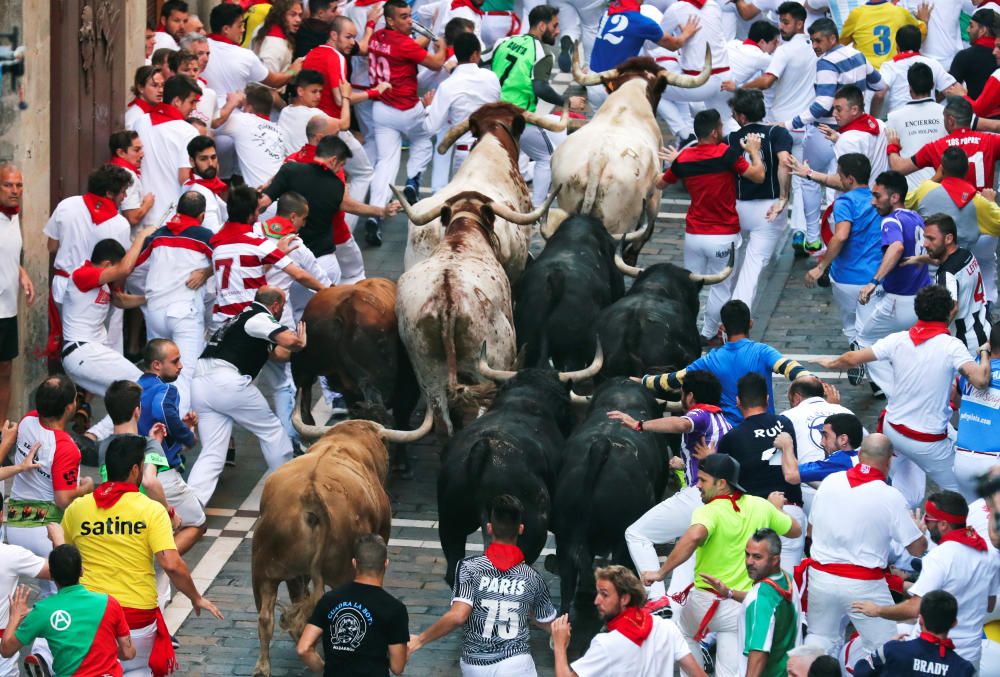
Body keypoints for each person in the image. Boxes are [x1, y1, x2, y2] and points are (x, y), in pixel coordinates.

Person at [61, 436, 223, 674]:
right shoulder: (152, 510)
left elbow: (66, 558)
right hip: (136, 618)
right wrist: (195, 597)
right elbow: (172, 565)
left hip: (89, 616)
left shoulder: (77, 509)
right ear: (135, 469)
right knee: (137, 669)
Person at [819, 285, 993, 495]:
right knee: (968, 493)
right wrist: (985, 351)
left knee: (899, 485)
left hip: (893, 429)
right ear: (950, 311)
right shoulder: (951, 346)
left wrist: (829, 364)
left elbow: (851, 358)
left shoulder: (897, 340)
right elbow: (981, 380)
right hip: (926, 440)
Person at [639, 454, 801, 677]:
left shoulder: (707, 511)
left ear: (721, 483)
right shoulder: (760, 506)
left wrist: (661, 573)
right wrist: (777, 509)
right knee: (729, 671)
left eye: (703, 480)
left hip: (705, 603)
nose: (697, 486)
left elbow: (694, 536)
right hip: (742, 604)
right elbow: (795, 530)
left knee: (682, 633)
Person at [609, 370, 732, 614]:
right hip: (719, 501)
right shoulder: (725, 421)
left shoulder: (701, 414)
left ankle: (656, 597)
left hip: (697, 497)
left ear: (690, 396)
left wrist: (639, 425)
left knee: (636, 534)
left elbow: (681, 424)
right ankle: (672, 611)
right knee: (686, 557)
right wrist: (683, 463)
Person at [797, 433, 927, 659]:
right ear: (888, 462)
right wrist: (920, 531)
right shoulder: (891, 496)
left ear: (860, 455)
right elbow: (916, 549)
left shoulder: (830, 482)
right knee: (886, 649)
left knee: (818, 645)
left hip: (821, 580)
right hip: (864, 585)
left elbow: (810, 531)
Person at [407, 494, 558, 676]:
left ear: (488, 528)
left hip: (475, 666)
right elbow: (551, 624)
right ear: (520, 529)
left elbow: (458, 616)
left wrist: (420, 640)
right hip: (516, 664)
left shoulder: (469, 568)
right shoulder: (532, 578)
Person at [852, 490, 999, 668]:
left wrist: (877, 610)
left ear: (943, 524)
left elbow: (915, 608)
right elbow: (989, 605)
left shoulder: (940, 557)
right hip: (969, 657)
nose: (925, 523)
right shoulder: (989, 554)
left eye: (929, 519)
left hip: (934, 654)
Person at [188, 286, 307, 505]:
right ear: (276, 306)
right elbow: (290, 342)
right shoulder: (260, 317)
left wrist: (298, 351)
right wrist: (301, 341)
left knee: (213, 452)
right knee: (272, 430)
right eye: (283, 306)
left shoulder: (239, 318)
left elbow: (279, 355)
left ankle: (191, 505)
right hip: (226, 382)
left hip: (200, 385)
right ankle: (290, 491)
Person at [657, 111, 765, 344]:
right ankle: (706, 334)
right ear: (715, 132)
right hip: (722, 235)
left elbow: (660, 182)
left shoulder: (684, 158)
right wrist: (754, 152)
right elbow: (758, 176)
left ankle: (685, 330)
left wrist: (674, 162)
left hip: (694, 235)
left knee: (689, 287)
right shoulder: (726, 154)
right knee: (721, 289)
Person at [783, 18, 884, 256]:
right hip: (855, 129)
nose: (815, 46)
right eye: (812, 41)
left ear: (832, 39)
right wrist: (871, 117)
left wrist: (790, 123)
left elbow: (823, 104)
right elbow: (880, 85)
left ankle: (813, 238)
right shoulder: (858, 55)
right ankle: (842, 239)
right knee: (845, 185)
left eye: (818, 40)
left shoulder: (826, 62)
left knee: (809, 180)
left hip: (823, 131)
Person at [640, 300, 810, 425]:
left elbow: (670, 381)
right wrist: (811, 380)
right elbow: (792, 369)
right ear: (750, 324)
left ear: (722, 328)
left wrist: (642, 380)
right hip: (766, 428)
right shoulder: (763, 352)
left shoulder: (710, 359)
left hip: (729, 435)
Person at [261, 135, 397, 291]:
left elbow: (263, 202)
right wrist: (382, 210)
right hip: (323, 262)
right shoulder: (336, 186)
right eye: (341, 165)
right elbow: (353, 207)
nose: (340, 170)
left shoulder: (290, 170)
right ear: (333, 160)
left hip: (288, 256)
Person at [365, 0, 448, 245]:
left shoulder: (377, 37)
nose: (409, 21)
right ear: (390, 20)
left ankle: (375, 214)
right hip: (407, 109)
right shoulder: (403, 44)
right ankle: (412, 180)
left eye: (410, 15)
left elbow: (410, 48)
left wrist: (425, 40)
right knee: (424, 138)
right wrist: (440, 46)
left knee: (386, 162)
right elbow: (436, 62)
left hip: (381, 108)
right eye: (403, 17)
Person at [736, 2, 815, 246]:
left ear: (800, 23)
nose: (781, 26)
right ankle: (802, 233)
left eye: (786, 22)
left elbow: (767, 81)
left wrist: (739, 87)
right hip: (804, 125)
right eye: (780, 21)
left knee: (768, 174)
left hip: (780, 125)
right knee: (801, 180)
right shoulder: (815, 46)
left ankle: (762, 227)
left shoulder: (784, 50)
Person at [490, 5, 580, 209]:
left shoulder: (504, 41)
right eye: (555, 26)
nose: (558, 31)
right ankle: (538, 209)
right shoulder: (542, 53)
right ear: (542, 26)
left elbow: (480, 60)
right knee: (547, 157)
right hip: (518, 118)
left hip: (494, 114)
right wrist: (567, 102)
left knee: (555, 129)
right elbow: (539, 88)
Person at [851, 170, 931, 396]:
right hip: (920, 299)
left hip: (899, 302)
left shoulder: (890, 220)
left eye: (877, 196)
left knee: (866, 339)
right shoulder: (915, 217)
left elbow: (896, 247)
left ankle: (896, 394)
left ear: (894, 197)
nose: (873, 202)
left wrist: (874, 282)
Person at [716, 374, 806, 572]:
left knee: (755, 583)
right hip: (791, 511)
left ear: (738, 401)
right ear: (767, 398)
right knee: (789, 585)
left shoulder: (731, 438)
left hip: (756, 516)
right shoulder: (785, 424)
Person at [550, 565, 707, 677]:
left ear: (624, 598)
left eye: (604, 594)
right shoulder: (666, 628)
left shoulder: (606, 644)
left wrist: (559, 646)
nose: (597, 601)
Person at [0, 545, 134, 677]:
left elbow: (6, 650)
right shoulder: (109, 602)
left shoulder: (42, 610)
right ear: (81, 571)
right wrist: (106, 655)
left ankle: (45, 659)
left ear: (51, 574)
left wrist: (14, 617)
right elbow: (128, 653)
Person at [5, 376, 93, 574]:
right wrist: (86, 487)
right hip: (46, 531)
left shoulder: (27, 420)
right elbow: (63, 499)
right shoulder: (65, 447)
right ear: (70, 407)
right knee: (62, 590)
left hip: (15, 524)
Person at [209, 184, 324, 330]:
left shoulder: (218, 243)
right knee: (288, 347)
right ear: (251, 214)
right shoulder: (257, 243)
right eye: (257, 210)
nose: (259, 214)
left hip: (222, 320)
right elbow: (299, 275)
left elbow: (250, 268)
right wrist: (325, 290)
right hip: (250, 319)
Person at [297, 534, 409, 675]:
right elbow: (397, 667)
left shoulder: (329, 599)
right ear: (386, 563)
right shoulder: (395, 609)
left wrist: (324, 670)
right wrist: (406, 650)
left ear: (354, 563)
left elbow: (303, 648)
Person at [59, 236, 153, 398]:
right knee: (143, 385)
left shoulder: (104, 285)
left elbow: (121, 300)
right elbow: (124, 269)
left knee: (122, 399)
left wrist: (154, 298)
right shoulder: (82, 274)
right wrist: (141, 237)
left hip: (87, 353)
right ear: (108, 265)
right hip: (82, 350)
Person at [905, 147, 1000, 306]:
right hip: (961, 274)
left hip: (923, 276)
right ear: (967, 169)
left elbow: (905, 203)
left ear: (942, 168)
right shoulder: (977, 202)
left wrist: (934, 178)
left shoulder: (925, 190)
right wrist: (991, 201)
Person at [726, 88, 792, 312]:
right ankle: (736, 318)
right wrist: (784, 198)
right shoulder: (777, 133)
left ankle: (716, 318)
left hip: (737, 206)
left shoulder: (731, 138)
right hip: (768, 207)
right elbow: (784, 162)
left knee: (730, 265)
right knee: (752, 268)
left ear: (742, 116)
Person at [138, 338, 206, 554]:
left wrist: (180, 428)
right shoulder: (166, 389)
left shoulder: (134, 388)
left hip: (134, 476)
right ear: (157, 365)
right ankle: (158, 561)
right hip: (162, 476)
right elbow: (162, 411)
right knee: (197, 523)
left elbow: (151, 426)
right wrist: (187, 436)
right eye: (175, 361)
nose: (181, 366)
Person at [701, 529, 800, 677]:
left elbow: (758, 652)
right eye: (747, 554)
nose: (749, 562)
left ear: (775, 560)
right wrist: (729, 593)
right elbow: (768, 601)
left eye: (757, 557)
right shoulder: (787, 580)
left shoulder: (760, 599)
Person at [423, 32, 501, 183]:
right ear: (476, 54)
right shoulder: (491, 77)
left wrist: (428, 108)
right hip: (492, 150)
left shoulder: (447, 86)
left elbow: (430, 128)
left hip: (465, 154)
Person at [853, 590, 976, 677]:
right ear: (954, 623)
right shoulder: (964, 669)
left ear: (920, 619)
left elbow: (860, 671)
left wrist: (885, 648)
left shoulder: (893, 650)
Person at [134, 74, 202, 226]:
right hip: (170, 219)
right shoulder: (188, 132)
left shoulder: (140, 122)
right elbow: (185, 178)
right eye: (192, 102)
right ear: (177, 101)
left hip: (140, 212)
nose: (194, 107)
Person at [919, 213, 990, 355]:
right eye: (925, 238)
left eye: (931, 239)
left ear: (948, 239)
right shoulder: (966, 254)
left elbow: (952, 308)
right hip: (984, 332)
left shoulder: (946, 274)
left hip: (964, 346)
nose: (925, 244)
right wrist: (917, 259)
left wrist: (932, 338)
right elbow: (943, 260)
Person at [777, 376, 858, 501]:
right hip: (851, 489)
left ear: (796, 398)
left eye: (825, 436)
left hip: (806, 490)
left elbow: (786, 471)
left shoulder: (785, 417)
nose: (821, 442)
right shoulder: (846, 413)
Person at [0, 487, 53, 677]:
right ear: (0, 516)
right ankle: (44, 653)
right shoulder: (10, 555)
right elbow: (64, 572)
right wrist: (58, 539)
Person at [202, 2, 302, 96]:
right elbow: (272, 83)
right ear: (226, 29)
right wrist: (292, 71)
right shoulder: (246, 55)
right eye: (240, 26)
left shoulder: (198, 47)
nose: (243, 30)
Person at [0, 164, 33, 423]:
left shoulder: (13, 217)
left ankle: (1, 434)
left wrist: (21, 273)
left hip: (8, 308)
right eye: (8, 185)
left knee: (5, 371)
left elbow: (8, 253)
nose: (15, 190)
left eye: (19, 185)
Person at [953, 322, 1000, 499]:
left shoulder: (973, 370)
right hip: (993, 465)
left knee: (973, 518)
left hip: (962, 462)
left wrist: (984, 351)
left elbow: (957, 400)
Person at [885, 62, 946, 192]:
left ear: (909, 88)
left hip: (910, 194)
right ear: (933, 85)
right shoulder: (946, 114)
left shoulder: (893, 118)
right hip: (943, 190)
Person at [876, 26, 960, 118]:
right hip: (930, 121)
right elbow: (956, 92)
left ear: (897, 46)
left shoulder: (889, 67)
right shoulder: (932, 63)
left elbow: (879, 94)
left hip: (899, 122)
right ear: (920, 45)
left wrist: (874, 117)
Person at [213, 86, 287, 189]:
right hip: (281, 192)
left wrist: (232, 102)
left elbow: (212, 122)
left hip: (261, 196)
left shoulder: (244, 120)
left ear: (249, 108)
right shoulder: (280, 131)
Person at [776, 411, 863, 490]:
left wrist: (786, 446)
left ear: (843, 439)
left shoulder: (841, 460)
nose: (822, 443)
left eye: (826, 436)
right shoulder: (860, 457)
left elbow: (792, 475)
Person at [839, 0, 926, 68]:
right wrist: (924, 21)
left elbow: (841, 43)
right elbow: (921, 32)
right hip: (894, 70)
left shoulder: (856, 14)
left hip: (868, 75)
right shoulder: (899, 12)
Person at [108, 131, 155, 229]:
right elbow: (132, 217)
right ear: (121, 153)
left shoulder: (110, 169)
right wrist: (147, 204)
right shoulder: (127, 175)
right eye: (136, 150)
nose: (142, 154)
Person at [182, 135, 228, 232]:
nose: (211, 163)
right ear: (192, 161)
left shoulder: (200, 185)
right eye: (203, 159)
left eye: (213, 157)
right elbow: (213, 235)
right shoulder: (199, 192)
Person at [948, 8, 997, 99]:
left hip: (974, 110)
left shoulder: (965, 56)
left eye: (971, 26)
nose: (967, 30)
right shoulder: (996, 55)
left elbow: (949, 89)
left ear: (982, 30)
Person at [251, 0, 303, 74]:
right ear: (280, 15)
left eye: (300, 15)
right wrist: (292, 71)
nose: (298, 20)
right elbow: (266, 82)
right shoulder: (275, 44)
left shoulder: (262, 27)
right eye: (292, 15)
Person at [125, 66, 164, 131]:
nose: (161, 90)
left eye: (162, 85)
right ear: (140, 88)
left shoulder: (162, 111)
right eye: (154, 85)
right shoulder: (133, 117)